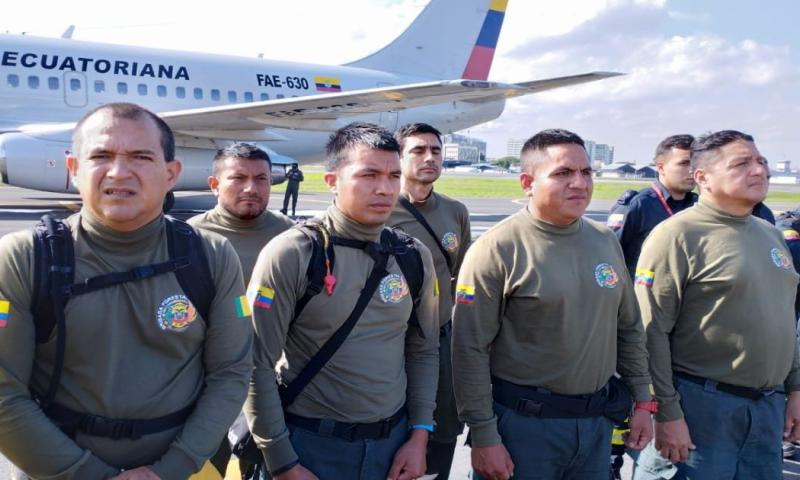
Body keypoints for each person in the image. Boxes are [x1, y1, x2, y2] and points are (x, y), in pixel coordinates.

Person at [0, 102, 253, 479]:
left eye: (141, 156)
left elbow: (231, 373)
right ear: (73, 169)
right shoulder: (23, 259)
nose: (119, 172)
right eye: (100, 155)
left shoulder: (212, 256)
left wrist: (173, 467)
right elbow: (4, 394)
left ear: (171, 174)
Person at [452, 128, 655, 480]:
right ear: (527, 182)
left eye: (586, 172)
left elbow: (629, 329)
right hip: (524, 428)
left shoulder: (604, 240)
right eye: (563, 173)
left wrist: (643, 401)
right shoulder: (497, 249)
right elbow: (469, 350)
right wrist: (484, 436)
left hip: (594, 424)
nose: (579, 183)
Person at [244, 122, 440, 479]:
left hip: (392, 448)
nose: (384, 188)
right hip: (311, 447)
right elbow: (254, 363)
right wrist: (282, 461)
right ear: (332, 180)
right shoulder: (294, 253)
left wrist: (420, 434)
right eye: (368, 174)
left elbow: (423, 350)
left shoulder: (413, 255)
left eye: (394, 175)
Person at [636, 130, 800, 479]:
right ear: (702, 178)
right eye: (741, 163)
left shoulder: (770, 233)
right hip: (701, 409)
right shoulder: (677, 235)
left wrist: (796, 388)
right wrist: (665, 411)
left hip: (766, 410)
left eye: (761, 162)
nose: (759, 171)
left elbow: (785, 317)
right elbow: (650, 333)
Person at [387, 123, 471, 478]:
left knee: (442, 426)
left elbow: (465, 277)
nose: (429, 157)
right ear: (400, 157)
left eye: (435, 151)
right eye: (418, 150)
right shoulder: (381, 209)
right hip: (390, 338)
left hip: (439, 335)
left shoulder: (455, 212)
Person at [189, 142, 294, 283]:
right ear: (215, 185)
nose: (251, 189)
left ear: (270, 182)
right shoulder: (191, 235)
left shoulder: (290, 234)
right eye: (239, 178)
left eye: (261, 179)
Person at [607, 135, 696, 277]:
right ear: (661, 168)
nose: (692, 170)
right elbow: (608, 256)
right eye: (684, 163)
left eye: (695, 163)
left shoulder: (698, 205)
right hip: (642, 294)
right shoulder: (637, 205)